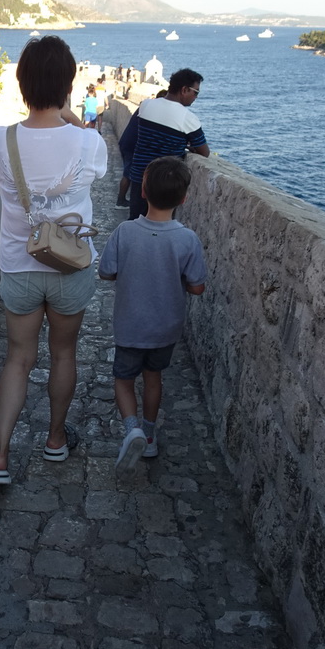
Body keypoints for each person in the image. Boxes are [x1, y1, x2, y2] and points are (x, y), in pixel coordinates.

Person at [0, 36, 108, 485]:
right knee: (63, 354)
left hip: (19, 265)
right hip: (70, 267)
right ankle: (55, 439)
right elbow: (98, 171)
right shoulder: (89, 144)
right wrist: (70, 116)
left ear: (21, 84)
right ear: (68, 85)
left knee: (17, 358)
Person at [99, 156, 207, 473]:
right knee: (153, 378)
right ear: (184, 198)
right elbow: (197, 288)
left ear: (142, 191)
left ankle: (130, 426)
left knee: (123, 378)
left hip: (131, 325)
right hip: (165, 329)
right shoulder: (188, 239)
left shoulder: (125, 232)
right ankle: (148, 435)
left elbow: (106, 272)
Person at [128, 68, 210, 220]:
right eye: (196, 92)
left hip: (140, 176)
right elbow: (204, 152)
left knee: (135, 219)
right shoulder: (188, 119)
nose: (196, 97)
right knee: (161, 225)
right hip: (166, 183)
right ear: (184, 90)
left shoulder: (146, 105)